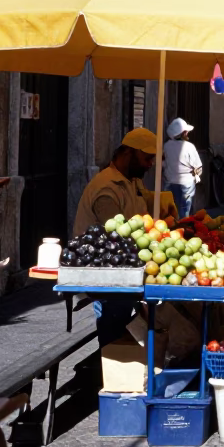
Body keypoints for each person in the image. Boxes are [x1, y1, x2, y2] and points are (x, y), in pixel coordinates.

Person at [75, 128, 177, 344]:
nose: (151, 164)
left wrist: (164, 201)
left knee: (129, 319)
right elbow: (116, 234)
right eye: (147, 158)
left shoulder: (131, 179)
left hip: (126, 267)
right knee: (114, 321)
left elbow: (142, 200)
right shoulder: (106, 188)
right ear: (127, 154)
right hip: (106, 272)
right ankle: (110, 366)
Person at [163, 117, 202, 218]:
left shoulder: (166, 146)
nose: (187, 134)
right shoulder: (189, 147)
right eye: (186, 132)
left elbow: (163, 163)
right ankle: (183, 229)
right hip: (187, 183)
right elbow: (198, 167)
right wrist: (196, 174)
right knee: (185, 211)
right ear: (183, 133)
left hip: (170, 181)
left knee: (171, 211)